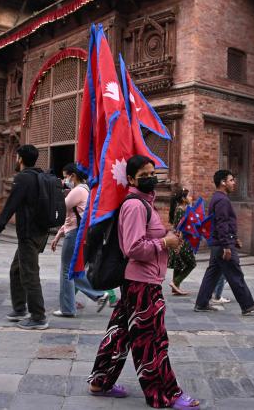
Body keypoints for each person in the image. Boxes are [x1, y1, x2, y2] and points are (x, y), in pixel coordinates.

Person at [88, 155, 200, 410]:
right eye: (144, 174)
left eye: (153, 173)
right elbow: (133, 247)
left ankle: (100, 381)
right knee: (152, 340)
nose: (151, 178)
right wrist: (164, 243)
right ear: (130, 178)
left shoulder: (144, 203)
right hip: (142, 283)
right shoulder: (136, 205)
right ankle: (165, 394)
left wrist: (167, 238)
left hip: (137, 281)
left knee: (120, 333)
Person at [0, 145, 50, 330]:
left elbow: (10, 206)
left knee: (29, 274)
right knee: (17, 269)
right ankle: (20, 308)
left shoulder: (23, 178)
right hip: (41, 232)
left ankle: (38, 317)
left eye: (16, 157)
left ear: (20, 159)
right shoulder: (42, 175)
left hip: (28, 234)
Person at [194, 170, 254, 315]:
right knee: (235, 274)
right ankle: (247, 305)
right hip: (222, 245)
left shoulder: (218, 198)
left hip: (218, 243)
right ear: (223, 182)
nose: (234, 183)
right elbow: (222, 224)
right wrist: (227, 245)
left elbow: (223, 224)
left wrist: (234, 237)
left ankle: (201, 304)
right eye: (231, 180)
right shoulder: (222, 200)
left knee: (212, 274)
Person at [50, 163, 108, 317]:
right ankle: (98, 295)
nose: (64, 179)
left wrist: (56, 192)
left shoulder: (78, 191)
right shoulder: (85, 190)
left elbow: (61, 209)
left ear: (73, 176)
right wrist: (59, 234)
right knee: (74, 270)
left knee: (66, 271)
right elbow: (71, 217)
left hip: (74, 234)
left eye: (65, 176)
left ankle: (68, 308)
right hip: (76, 232)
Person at [167, 187, 197, 296]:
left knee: (178, 264)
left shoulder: (183, 209)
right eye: (188, 195)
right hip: (181, 242)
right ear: (184, 199)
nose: (191, 197)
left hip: (179, 242)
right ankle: (175, 282)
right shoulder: (180, 210)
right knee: (192, 264)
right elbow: (179, 228)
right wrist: (179, 244)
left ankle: (175, 288)